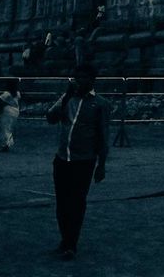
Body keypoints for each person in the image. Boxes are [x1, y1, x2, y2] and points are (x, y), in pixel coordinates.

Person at [46, 63, 109, 260]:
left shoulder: (100, 104)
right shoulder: (67, 99)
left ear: (92, 80)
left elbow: (103, 136)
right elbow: (50, 118)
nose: (79, 81)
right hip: (62, 158)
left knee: (77, 202)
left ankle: (71, 243)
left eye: (83, 78)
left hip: (84, 161)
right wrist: (65, 97)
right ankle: (65, 240)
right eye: (76, 77)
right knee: (62, 203)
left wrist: (102, 165)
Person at [0, 79, 21, 151]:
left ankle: (6, 144)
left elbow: (1, 104)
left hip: (7, 111)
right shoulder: (17, 93)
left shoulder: (6, 94)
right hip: (15, 111)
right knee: (9, 128)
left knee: (5, 128)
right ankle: (3, 143)